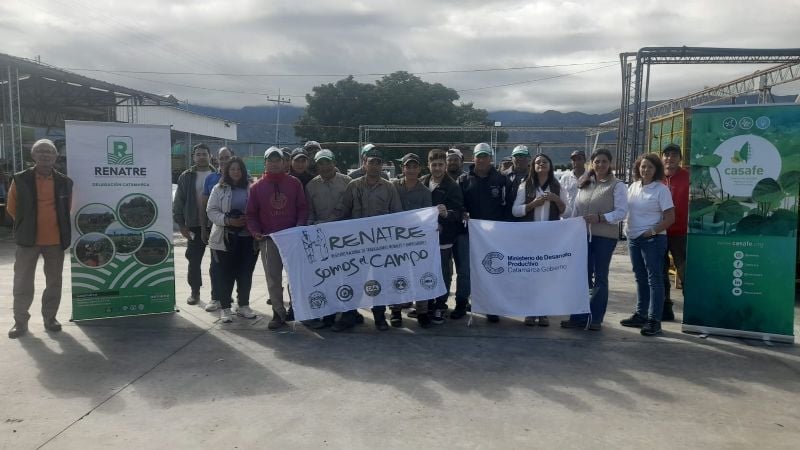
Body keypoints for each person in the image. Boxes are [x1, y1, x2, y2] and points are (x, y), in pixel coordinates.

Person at [331, 146, 402, 331]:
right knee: (352, 279)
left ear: (382, 166)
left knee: (379, 280)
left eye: (379, 162)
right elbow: (343, 210)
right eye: (371, 162)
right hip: (356, 244)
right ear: (364, 163)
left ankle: (379, 317)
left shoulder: (389, 187)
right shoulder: (353, 185)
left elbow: (397, 214)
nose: (375, 166)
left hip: (380, 244)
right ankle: (349, 315)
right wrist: (326, 227)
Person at [7, 139, 73, 338]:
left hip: (55, 241)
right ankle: (20, 322)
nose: (45, 155)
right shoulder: (20, 179)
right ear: (33, 156)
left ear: (55, 157)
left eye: (49, 152)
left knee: (54, 282)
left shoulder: (65, 182)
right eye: (41, 151)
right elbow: (12, 208)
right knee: (22, 282)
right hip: (28, 241)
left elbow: (67, 208)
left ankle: (50, 318)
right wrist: (27, 226)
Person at [560, 148, 628, 331]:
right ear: (592, 163)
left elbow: (622, 212)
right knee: (581, 277)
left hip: (604, 238)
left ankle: (596, 318)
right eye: (597, 161)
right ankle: (578, 317)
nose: (600, 165)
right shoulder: (585, 183)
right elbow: (576, 209)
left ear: (610, 164)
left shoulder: (617, 185)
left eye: (604, 161)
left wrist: (601, 218)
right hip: (582, 237)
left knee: (600, 277)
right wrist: (569, 228)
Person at [246, 147, 308, 330]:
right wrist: (255, 231)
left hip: (292, 239)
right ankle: (278, 312)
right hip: (269, 240)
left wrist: (299, 226)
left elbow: (303, 207)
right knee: (273, 278)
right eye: (270, 160)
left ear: (284, 163)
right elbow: (251, 214)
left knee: (296, 277)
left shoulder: (294, 183)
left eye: (277, 160)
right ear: (265, 163)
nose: (274, 163)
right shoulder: (256, 187)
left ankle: (300, 311)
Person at [458, 142, 513, 323]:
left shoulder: (502, 179)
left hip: (493, 235)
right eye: (478, 156)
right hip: (469, 232)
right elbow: (459, 203)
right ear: (473, 158)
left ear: (491, 158)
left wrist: (503, 229)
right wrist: (463, 211)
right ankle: (461, 303)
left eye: (485, 156)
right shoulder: (464, 180)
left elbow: (508, 206)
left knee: (491, 270)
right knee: (467, 270)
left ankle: (490, 305)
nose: (481, 159)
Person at [620, 153, 675, 337]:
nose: (645, 170)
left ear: (656, 170)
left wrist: (651, 232)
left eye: (650, 167)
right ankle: (641, 314)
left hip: (652, 240)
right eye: (643, 166)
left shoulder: (661, 190)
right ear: (638, 168)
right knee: (640, 277)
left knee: (655, 279)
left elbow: (670, 218)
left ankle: (654, 320)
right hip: (634, 238)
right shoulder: (633, 187)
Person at [511, 153, 567, 327]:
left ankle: (543, 312)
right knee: (530, 275)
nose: (541, 164)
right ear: (533, 167)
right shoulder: (525, 185)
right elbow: (515, 211)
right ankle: (529, 311)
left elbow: (567, 212)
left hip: (550, 237)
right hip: (529, 237)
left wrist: (555, 199)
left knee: (545, 276)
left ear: (550, 165)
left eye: (544, 162)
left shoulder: (557, 186)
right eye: (537, 162)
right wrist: (532, 204)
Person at [206, 157, 258, 322]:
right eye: (232, 169)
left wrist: (248, 221)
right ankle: (225, 308)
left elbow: (259, 210)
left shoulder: (252, 187)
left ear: (243, 171)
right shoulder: (218, 188)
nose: (236, 172)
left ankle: (243, 305)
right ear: (227, 171)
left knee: (245, 273)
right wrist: (228, 221)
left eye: (239, 169)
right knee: (225, 274)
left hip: (248, 238)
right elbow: (211, 211)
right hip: (224, 239)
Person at [304, 149, 352, 329]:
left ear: (334, 162)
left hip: (344, 239)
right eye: (320, 163)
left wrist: (328, 222)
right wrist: (308, 229)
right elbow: (310, 212)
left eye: (327, 162)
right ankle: (329, 314)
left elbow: (348, 208)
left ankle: (349, 315)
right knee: (327, 278)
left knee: (347, 276)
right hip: (322, 240)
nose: (324, 166)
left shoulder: (347, 182)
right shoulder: (311, 186)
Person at [388, 153, 433, 328]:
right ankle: (396, 311)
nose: (411, 169)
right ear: (403, 168)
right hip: (395, 240)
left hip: (416, 241)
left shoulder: (425, 192)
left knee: (420, 274)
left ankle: (422, 311)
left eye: (415, 166)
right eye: (408, 166)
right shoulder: (393, 187)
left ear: (419, 169)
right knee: (397, 275)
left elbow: (427, 217)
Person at [421, 149, 464, 325]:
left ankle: (440, 304)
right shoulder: (422, 182)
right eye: (434, 165)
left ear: (445, 166)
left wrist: (446, 215)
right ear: (429, 165)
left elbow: (458, 212)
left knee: (444, 273)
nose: (437, 168)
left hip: (444, 239)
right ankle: (428, 303)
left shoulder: (452, 186)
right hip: (424, 239)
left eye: (440, 165)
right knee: (426, 271)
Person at [173, 143, 215, 305]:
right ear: (193, 157)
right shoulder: (186, 176)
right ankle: (195, 292)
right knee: (194, 260)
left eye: (204, 154)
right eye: (198, 154)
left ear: (210, 156)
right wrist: (182, 225)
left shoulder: (217, 175)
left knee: (218, 262)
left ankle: (218, 293)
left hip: (215, 226)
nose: (201, 156)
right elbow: (178, 203)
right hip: (193, 226)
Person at [201, 146, 233, 312]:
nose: (223, 161)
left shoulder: (243, 177)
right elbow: (205, 206)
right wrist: (203, 228)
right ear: (216, 159)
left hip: (237, 232)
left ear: (233, 158)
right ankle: (215, 298)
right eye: (221, 158)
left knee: (232, 267)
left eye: (227, 157)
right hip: (217, 229)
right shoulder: (211, 179)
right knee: (216, 266)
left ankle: (229, 297)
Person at [660, 144, 688, 321]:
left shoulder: (688, 177)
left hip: (681, 232)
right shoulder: (656, 177)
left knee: (685, 270)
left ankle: (693, 310)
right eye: (667, 155)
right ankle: (665, 310)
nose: (670, 158)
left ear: (680, 159)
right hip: (660, 232)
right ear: (662, 158)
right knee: (661, 272)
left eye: (674, 155)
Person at [506, 145, 531, 220]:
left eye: (523, 155)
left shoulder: (535, 177)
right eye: (516, 156)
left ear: (529, 158)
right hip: (506, 221)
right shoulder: (502, 176)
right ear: (511, 159)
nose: (520, 158)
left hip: (529, 221)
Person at [559, 150, 587, 214]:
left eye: (579, 159)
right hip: (569, 216)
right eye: (574, 160)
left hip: (585, 215)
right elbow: (561, 196)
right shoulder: (565, 178)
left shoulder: (591, 177)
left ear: (585, 160)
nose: (576, 162)